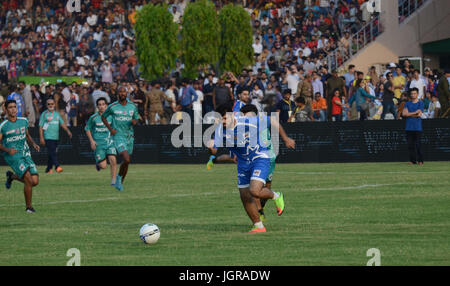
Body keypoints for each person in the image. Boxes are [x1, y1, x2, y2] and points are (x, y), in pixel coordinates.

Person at [213, 103, 295, 233]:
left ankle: (276, 196)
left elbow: (272, 120)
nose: (222, 122)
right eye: (219, 119)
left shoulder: (248, 121)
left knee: (254, 191)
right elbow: (214, 149)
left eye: (224, 118)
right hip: (242, 164)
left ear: (232, 115)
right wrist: (211, 147)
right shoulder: (219, 130)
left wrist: (286, 139)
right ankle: (259, 226)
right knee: (245, 196)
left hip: (259, 157)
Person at [207, 104, 277, 222]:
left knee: (262, 189)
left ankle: (268, 203)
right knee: (252, 191)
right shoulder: (227, 126)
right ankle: (259, 214)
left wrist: (285, 139)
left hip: (266, 157)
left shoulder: (255, 123)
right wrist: (212, 149)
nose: (245, 116)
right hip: (245, 158)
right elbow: (216, 145)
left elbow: (272, 123)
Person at [1, 100, 40, 213]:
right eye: (10, 107)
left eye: (15, 107)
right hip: (13, 156)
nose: (13, 109)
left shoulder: (23, 121)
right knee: (28, 178)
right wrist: (8, 150)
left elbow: (27, 135)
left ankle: (12, 177)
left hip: (25, 153)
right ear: (6, 110)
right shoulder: (3, 125)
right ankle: (29, 207)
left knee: (34, 181)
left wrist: (33, 143)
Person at [101, 86, 139, 191]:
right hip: (118, 136)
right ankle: (118, 178)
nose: (122, 93)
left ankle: (120, 182)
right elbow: (103, 117)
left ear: (127, 93)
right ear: (118, 93)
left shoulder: (132, 106)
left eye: (124, 92)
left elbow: (136, 118)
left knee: (127, 162)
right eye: (120, 92)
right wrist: (110, 129)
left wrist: (135, 121)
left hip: (129, 136)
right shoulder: (113, 106)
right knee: (126, 158)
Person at [85, 97, 118, 186]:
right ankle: (98, 164)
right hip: (99, 144)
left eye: (103, 104)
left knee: (113, 161)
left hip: (109, 142)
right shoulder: (93, 117)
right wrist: (92, 141)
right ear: (97, 106)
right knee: (103, 166)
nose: (101, 106)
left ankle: (114, 181)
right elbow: (87, 129)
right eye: (99, 105)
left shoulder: (111, 117)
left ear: (106, 106)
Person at [39, 98, 73, 174]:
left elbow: (62, 123)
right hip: (47, 136)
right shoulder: (44, 114)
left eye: (52, 104)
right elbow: (41, 126)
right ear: (46, 105)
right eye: (49, 104)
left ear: (54, 105)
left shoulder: (57, 114)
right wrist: (41, 137)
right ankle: (57, 166)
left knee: (51, 153)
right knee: (52, 152)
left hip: (56, 137)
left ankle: (49, 169)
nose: (50, 105)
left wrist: (68, 131)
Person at [402, 88, 424, 165]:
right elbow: (404, 114)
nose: (413, 95)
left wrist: (409, 114)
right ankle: (412, 160)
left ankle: (420, 160)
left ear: (417, 94)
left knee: (418, 144)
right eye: (412, 94)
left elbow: (419, 114)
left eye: (414, 93)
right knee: (410, 145)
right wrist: (414, 113)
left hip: (417, 127)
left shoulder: (420, 103)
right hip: (408, 127)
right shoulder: (407, 103)